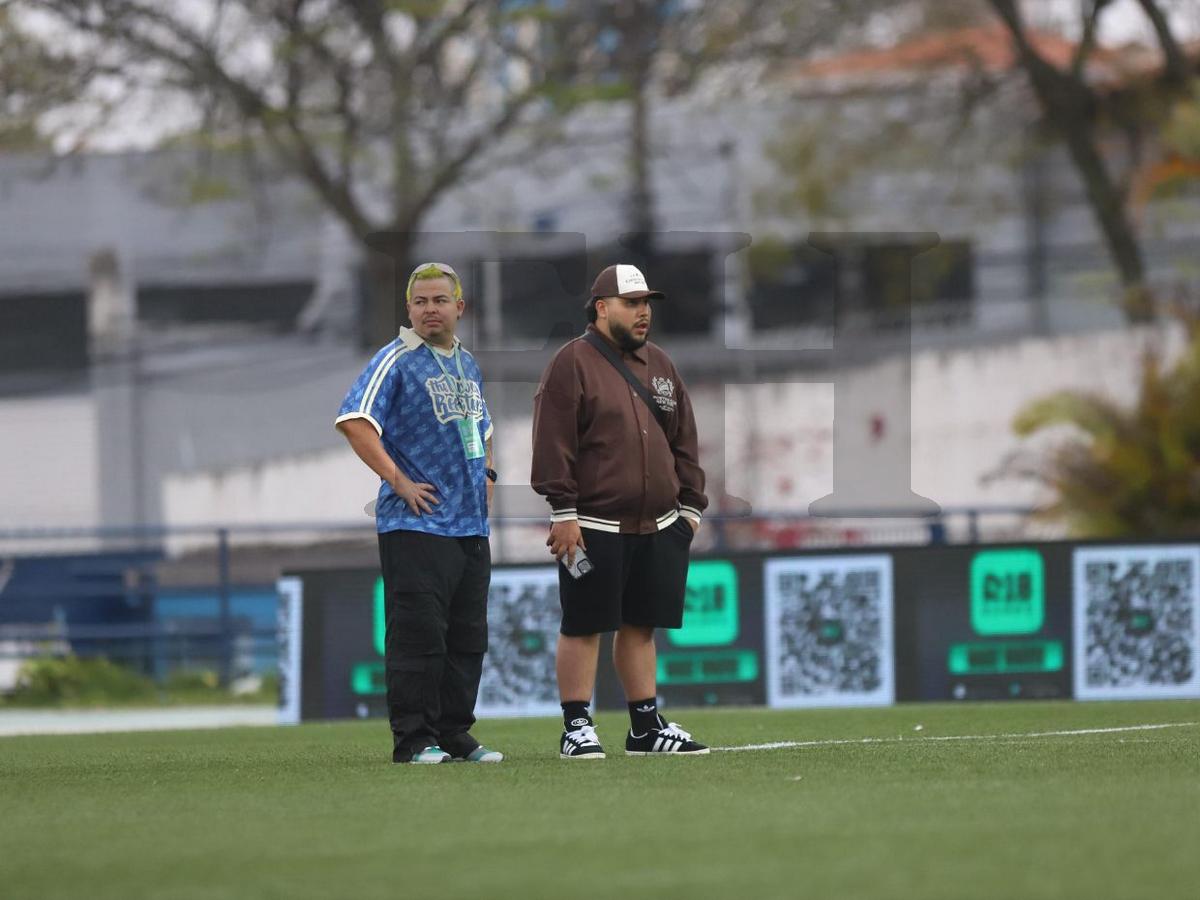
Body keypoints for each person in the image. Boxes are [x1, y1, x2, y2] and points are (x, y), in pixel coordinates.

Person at [531, 263, 710, 759]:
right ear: (601, 307)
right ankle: (576, 727)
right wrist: (562, 509)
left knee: (640, 624)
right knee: (583, 623)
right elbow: (552, 441)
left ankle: (645, 728)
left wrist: (691, 508)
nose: (643, 312)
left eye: (646, 303)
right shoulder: (572, 362)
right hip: (590, 524)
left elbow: (685, 441)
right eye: (632, 303)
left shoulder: (662, 365)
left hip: (658, 524)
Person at [335, 262, 502, 764]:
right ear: (409, 309)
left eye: (439, 300)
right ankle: (414, 740)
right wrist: (399, 480)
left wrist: (488, 477)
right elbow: (354, 421)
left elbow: (485, 430)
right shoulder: (396, 359)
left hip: (469, 526)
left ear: (459, 307)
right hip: (416, 524)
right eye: (421, 302)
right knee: (419, 636)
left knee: (466, 638)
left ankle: (455, 733)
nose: (431, 309)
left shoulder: (466, 363)